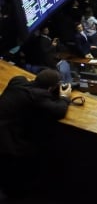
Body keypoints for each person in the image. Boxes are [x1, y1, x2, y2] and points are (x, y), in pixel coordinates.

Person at [0, 69, 72, 200]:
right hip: (8, 143)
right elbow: (59, 110)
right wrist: (64, 97)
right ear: (51, 88)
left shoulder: (17, 81)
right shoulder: (38, 97)